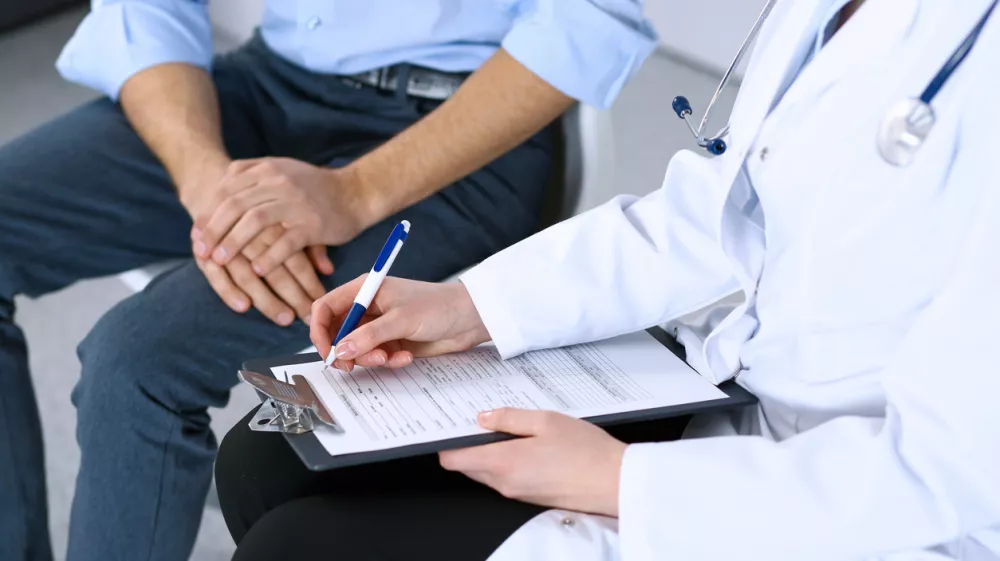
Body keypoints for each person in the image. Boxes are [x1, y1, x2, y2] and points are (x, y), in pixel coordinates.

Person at [215, 0, 1000, 560]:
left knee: (301, 545)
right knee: (271, 452)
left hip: (864, 503)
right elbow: (715, 209)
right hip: (740, 384)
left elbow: (950, 472)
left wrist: (622, 480)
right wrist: (469, 306)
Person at [0, 1, 658, 560]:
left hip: (463, 126)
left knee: (139, 359)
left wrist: (355, 192)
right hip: (269, 83)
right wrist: (211, 189)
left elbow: (590, 19)